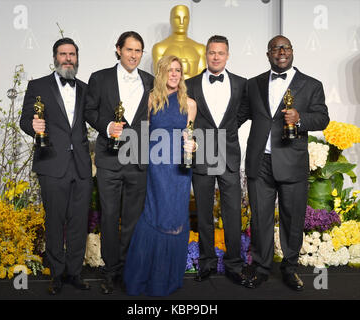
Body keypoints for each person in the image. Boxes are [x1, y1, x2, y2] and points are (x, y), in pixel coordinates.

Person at [238, 35, 330, 290]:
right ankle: (260, 267)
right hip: (260, 162)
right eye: (275, 48)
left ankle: (290, 268)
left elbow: (322, 118)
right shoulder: (253, 84)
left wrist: (300, 119)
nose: (281, 51)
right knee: (260, 219)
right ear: (267, 54)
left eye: (285, 47)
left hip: (291, 161)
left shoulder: (311, 85)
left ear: (292, 51)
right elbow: (239, 116)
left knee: (292, 218)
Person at [20, 37, 93, 295]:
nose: (68, 58)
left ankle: (75, 273)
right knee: (54, 222)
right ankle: (57, 274)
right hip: (52, 164)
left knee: (78, 223)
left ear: (76, 57)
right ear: (55, 57)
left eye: (72, 54)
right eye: (63, 54)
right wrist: (33, 126)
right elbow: (25, 119)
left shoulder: (85, 88)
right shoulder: (37, 85)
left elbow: (96, 116)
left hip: (82, 167)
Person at [84, 31, 154, 294]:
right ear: (118, 50)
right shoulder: (99, 78)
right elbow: (89, 111)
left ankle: (129, 270)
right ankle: (110, 271)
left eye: (138, 51)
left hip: (138, 160)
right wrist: (107, 125)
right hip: (109, 161)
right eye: (129, 50)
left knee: (134, 220)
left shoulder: (150, 81)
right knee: (111, 217)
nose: (134, 55)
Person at [123, 55, 197, 296]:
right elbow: (141, 133)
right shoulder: (151, 99)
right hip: (157, 167)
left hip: (180, 168)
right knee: (156, 215)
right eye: (169, 70)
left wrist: (193, 146)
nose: (174, 74)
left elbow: (190, 134)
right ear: (161, 73)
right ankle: (145, 277)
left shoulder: (190, 103)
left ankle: (167, 279)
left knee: (176, 218)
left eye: (178, 70)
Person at [186, 35, 248, 285]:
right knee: (203, 212)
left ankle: (234, 264)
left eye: (220, 53)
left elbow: (244, 112)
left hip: (229, 154)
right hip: (201, 154)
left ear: (227, 55)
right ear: (206, 54)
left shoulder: (242, 84)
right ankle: (207, 262)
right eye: (211, 52)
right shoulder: (189, 84)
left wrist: (228, 130)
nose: (215, 57)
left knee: (232, 212)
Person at [152, 4, 206, 79]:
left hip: (193, 90)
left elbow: (201, 78)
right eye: (177, 18)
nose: (181, 22)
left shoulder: (200, 48)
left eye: (185, 18)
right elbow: (159, 77)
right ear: (170, 20)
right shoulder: (160, 48)